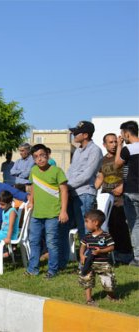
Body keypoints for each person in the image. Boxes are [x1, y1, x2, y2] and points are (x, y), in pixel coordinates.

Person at [61, 121, 102, 269]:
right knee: (64, 228)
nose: (73, 135)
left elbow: (87, 175)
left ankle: (86, 263)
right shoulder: (78, 151)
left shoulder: (95, 150)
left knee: (85, 231)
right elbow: (71, 172)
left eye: (76, 133)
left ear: (85, 135)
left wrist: (68, 186)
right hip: (72, 194)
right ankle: (63, 261)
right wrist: (64, 185)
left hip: (84, 194)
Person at [25, 144, 68, 279]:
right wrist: (31, 201)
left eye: (42, 155)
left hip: (53, 214)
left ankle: (52, 270)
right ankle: (33, 269)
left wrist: (63, 211)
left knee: (51, 243)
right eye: (36, 157)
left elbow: (64, 191)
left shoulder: (57, 171)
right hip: (37, 214)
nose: (40, 159)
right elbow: (32, 188)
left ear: (48, 155)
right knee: (34, 241)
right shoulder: (33, 171)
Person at [95, 133, 133, 263]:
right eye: (110, 142)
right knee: (109, 225)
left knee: (120, 225)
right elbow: (100, 177)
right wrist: (92, 190)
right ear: (104, 145)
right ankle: (114, 252)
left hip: (122, 197)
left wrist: (123, 185)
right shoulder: (102, 160)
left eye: (115, 142)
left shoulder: (124, 156)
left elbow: (131, 174)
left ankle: (126, 254)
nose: (113, 145)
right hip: (106, 197)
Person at [79, 209, 118, 306]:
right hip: (89, 263)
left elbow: (111, 247)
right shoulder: (87, 236)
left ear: (95, 222)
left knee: (108, 281)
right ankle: (89, 299)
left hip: (103, 263)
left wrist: (100, 251)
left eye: (87, 221)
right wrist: (81, 255)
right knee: (87, 280)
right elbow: (83, 245)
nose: (85, 224)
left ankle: (111, 296)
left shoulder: (106, 235)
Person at [115, 120, 139, 267]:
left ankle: (137, 258)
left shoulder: (128, 149)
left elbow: (117, 164)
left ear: (126, 133)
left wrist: (119, 146)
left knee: (135, 225)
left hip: (132, 191)